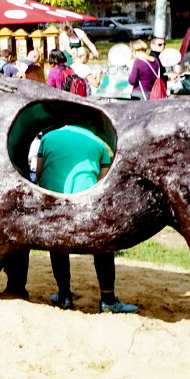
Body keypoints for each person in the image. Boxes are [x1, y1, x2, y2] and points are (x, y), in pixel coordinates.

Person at [37, 125, 139, 314]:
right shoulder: (99, 143)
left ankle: (65, 296)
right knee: (103, 246)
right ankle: (108, 300)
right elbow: (103, 183)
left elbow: (40, 172)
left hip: (53, 202)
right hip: (87, 203)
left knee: (57, 245)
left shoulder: (48, 137)